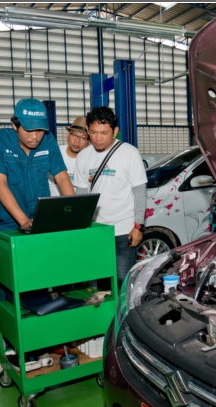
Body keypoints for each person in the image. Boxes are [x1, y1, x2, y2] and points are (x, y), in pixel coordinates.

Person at [73, 106, 148, 288]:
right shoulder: (83, 156)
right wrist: (82, 227)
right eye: (93, 132)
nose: (98, 138)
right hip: (95, 230)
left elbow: (140, 191)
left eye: (104, 133)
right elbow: (81, 195)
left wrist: (138, 226)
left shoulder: (129, 153)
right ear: (88, 130)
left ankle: (122, 308)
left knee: (122, 280)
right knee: (94, 281)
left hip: (124, 229)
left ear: (115, 131)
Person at [0, 98, 75, 231]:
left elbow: (62, 177)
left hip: (41, 219)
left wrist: (74, 213)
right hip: (8, 224)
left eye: (40, 130)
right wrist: (23, 220)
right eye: (28, 130)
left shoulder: (48, 140)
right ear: (15, 125)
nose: (35, 137)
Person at [47, 116, 90, 196]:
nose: (77, 141)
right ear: (67, 135)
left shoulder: (90, 160)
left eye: (83, 138)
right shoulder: (55, 153)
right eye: (74, 135)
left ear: (89, 142)